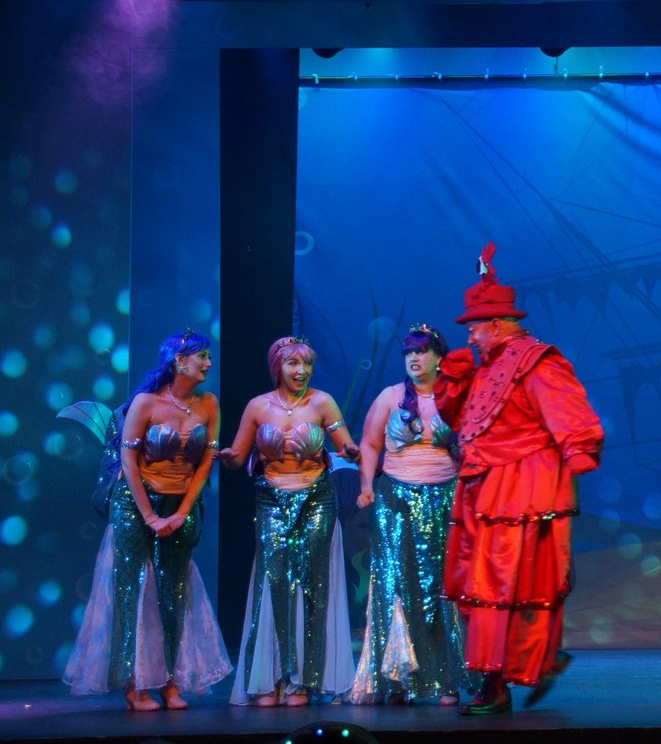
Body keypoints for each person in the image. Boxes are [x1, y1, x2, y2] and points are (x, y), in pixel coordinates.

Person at [442, 244, 604, 715]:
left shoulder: (535, 361)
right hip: (483, 485)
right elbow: (464, 421)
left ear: (495, 324)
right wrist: (455, 382)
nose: (470, 337)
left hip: (519, 488)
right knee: (483, 584)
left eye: (473, 328)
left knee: (502, 583)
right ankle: (539, 660)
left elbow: (566, 408)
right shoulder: (489, 367)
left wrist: (578, 449)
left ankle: (495, 684)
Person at [62, 330, 232, 709]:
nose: (208, 363)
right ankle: (134, 684)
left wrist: (183, 510)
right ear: (179, 361)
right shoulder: (146, 402)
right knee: (133, 589)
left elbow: (206, 462)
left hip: (180, 504)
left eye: (208, 356)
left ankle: (170, 682)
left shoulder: (208, 404)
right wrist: (150, 515)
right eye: (202, 356)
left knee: (173, 591)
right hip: (135, 502)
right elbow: (128, 462)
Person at [221, 335, 359, 706]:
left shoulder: (322, 402)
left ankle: (303, 680)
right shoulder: (257, 406)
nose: (302, 371)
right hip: (271, 499)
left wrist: (350, 450)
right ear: (277, 367)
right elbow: (239, 456)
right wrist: (228, 457)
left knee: (312, 584)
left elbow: (345, 444)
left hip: (316, 499)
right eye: (293, 364)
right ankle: (271, 679)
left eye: (307, 364)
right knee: (274, 582)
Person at [349, 323, 468, 705]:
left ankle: (446, 678)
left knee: (441, 586)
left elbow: (470, 448)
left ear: (438, 357)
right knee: (396, 585)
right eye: (408, 352)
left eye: (421, 351)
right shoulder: (391, 396)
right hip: (396, 499)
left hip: (443, 499)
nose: (414, 358)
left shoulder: (455, 396)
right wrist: (366, 486)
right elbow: (369, 444)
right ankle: (398, 678)